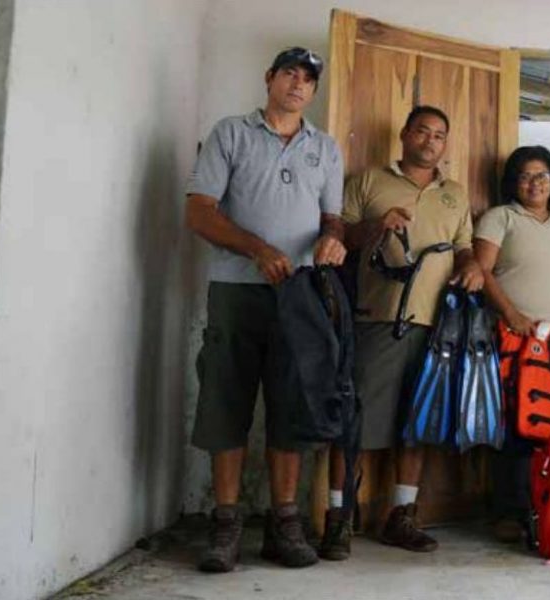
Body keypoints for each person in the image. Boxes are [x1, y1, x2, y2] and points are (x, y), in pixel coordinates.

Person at [185, 47, 345, 572]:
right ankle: (226, 523)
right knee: (225, 400)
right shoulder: (231, 134)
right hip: (235, 290)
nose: (298, 85)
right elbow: (199, 212)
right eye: (290, 75)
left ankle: (284, 523)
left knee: (292, 405)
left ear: (314, 92)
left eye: (308, 80)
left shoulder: (325, 148)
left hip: (299, 297)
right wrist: (256, 248)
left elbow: (333, 219)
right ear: (270, 79)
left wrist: (331, 241)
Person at [335, 105, 484, 555]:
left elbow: (463, 249)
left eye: (440, 135)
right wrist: (377, 226)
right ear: (404, 134)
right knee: (355, 422)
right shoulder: (368, 181)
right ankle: (339, 518)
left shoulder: (454, 194)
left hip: (439, 327)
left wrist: (473, 266)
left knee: (418, 425)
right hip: (376, 318)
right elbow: (340, 239)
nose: (431, 141)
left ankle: (401, 517)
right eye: (423, 131)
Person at [473, 145, 550, 542]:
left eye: (542, 176)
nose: (534, 183)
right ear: (512, 183)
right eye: (525, 176)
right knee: (517, 425)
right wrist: (511, 315)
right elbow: (481, 271)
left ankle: (545, 505)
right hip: (517, 338)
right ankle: (508, 511)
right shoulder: (500, 217)